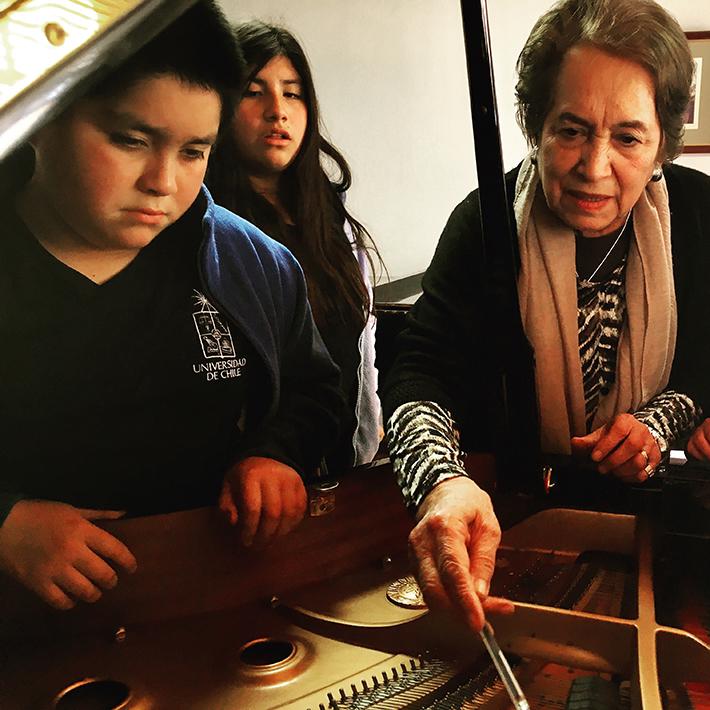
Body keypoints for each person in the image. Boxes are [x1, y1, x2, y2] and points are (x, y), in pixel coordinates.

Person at [0, 1, 342, 611]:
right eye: (131, 140)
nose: (163, 181)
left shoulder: (252, 263)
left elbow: (313, 391)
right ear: (42, 116)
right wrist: (6, 523)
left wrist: (274, 453)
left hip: (211, 603)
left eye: (193, 151)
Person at [383, 0, 710, 632]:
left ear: (662, 143)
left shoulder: (699, 217)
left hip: (666, 534)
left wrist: (654, 423)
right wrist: (440, 482)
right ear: (535, 125)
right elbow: (418, 374)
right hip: (512, 528)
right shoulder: (485, 222)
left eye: (627, 137)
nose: (594, 167)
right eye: (572, 129)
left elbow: (704, 365)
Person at [207, 21, 380, 473]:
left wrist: (372, 433)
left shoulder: (330, 220)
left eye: (292, 93)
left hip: (342, 473)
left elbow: (361, 349)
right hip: (256, 480)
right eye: (253, 91)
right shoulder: (209, 232)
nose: (277, 111)